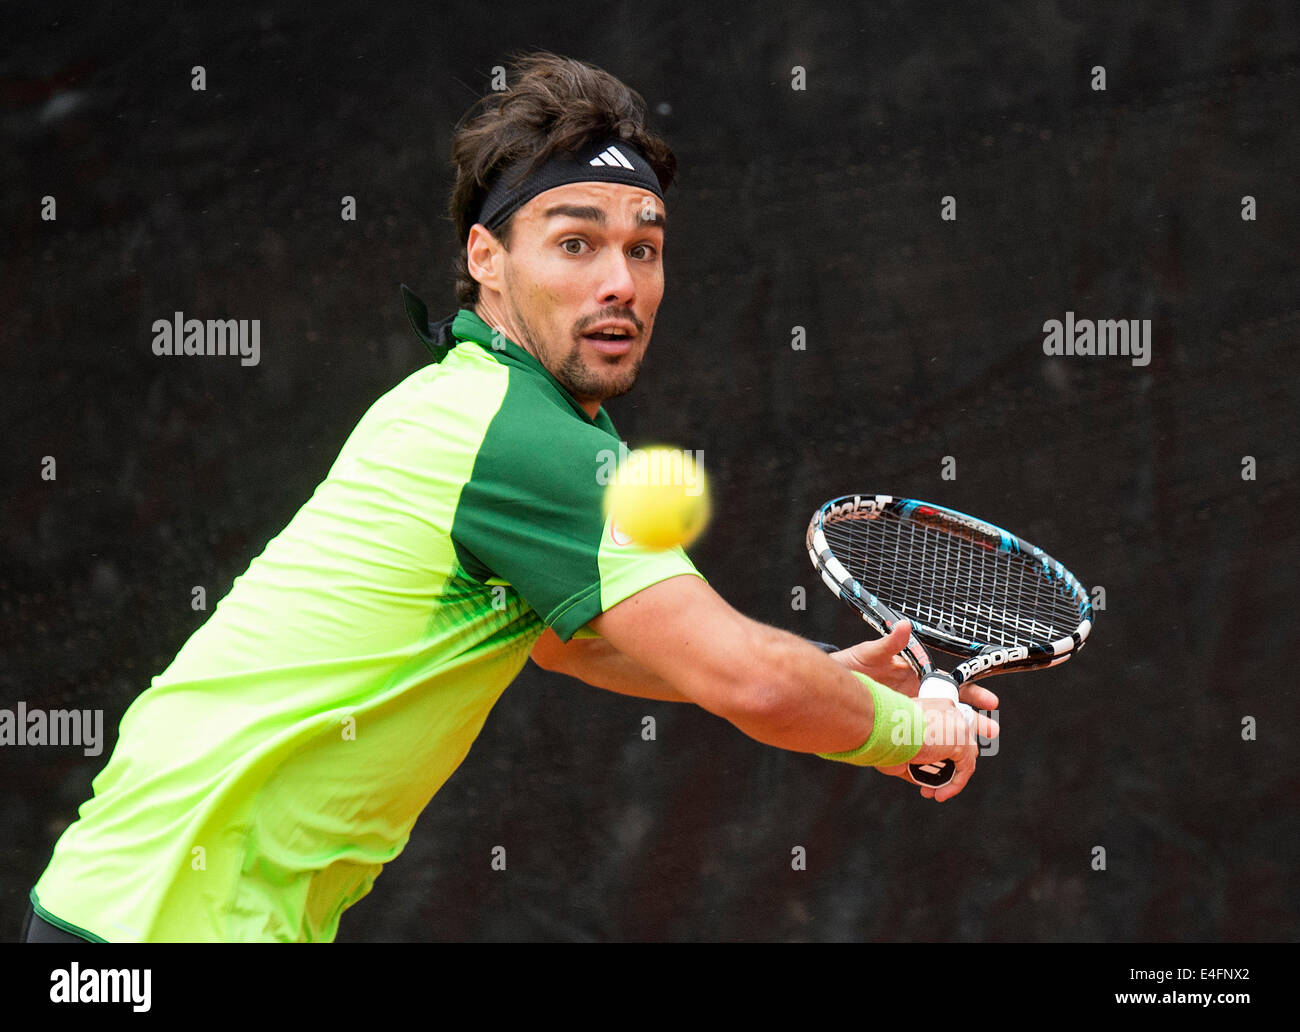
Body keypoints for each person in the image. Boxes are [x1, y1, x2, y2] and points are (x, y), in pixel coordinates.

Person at [25, 51, 997, 943]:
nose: (619, 282)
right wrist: (911, 732)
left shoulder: (462, 401)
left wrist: (833, 675)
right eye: (575, 245)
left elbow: (572, 640)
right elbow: (750, 682)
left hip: (141, 910)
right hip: (160, 925)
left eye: (642, 248)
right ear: (487, 260)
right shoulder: (519, 440)